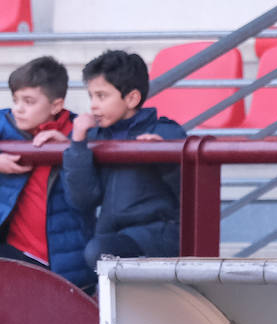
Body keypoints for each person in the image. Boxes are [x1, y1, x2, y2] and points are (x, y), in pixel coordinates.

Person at [55, 50, 184, 269]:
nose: (94, 105)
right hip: (109, 237)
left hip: (157, 236)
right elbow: (82, 200)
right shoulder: (92, 136)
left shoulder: (166, 132)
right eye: (91, 96)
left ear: (132, 98)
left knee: (97, 251)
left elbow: (189, 189)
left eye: (102, 96)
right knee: (85, 256)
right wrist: (77, 144)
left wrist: (163, 155)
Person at [0, 56, 94, 289]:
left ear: (56, 105)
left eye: (29, 101)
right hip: (14, 252)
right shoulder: (5, 122)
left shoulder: (80, 131)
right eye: (15, 99)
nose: (18, 109)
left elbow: (90, 193)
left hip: (67, 261)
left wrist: (71, 146)